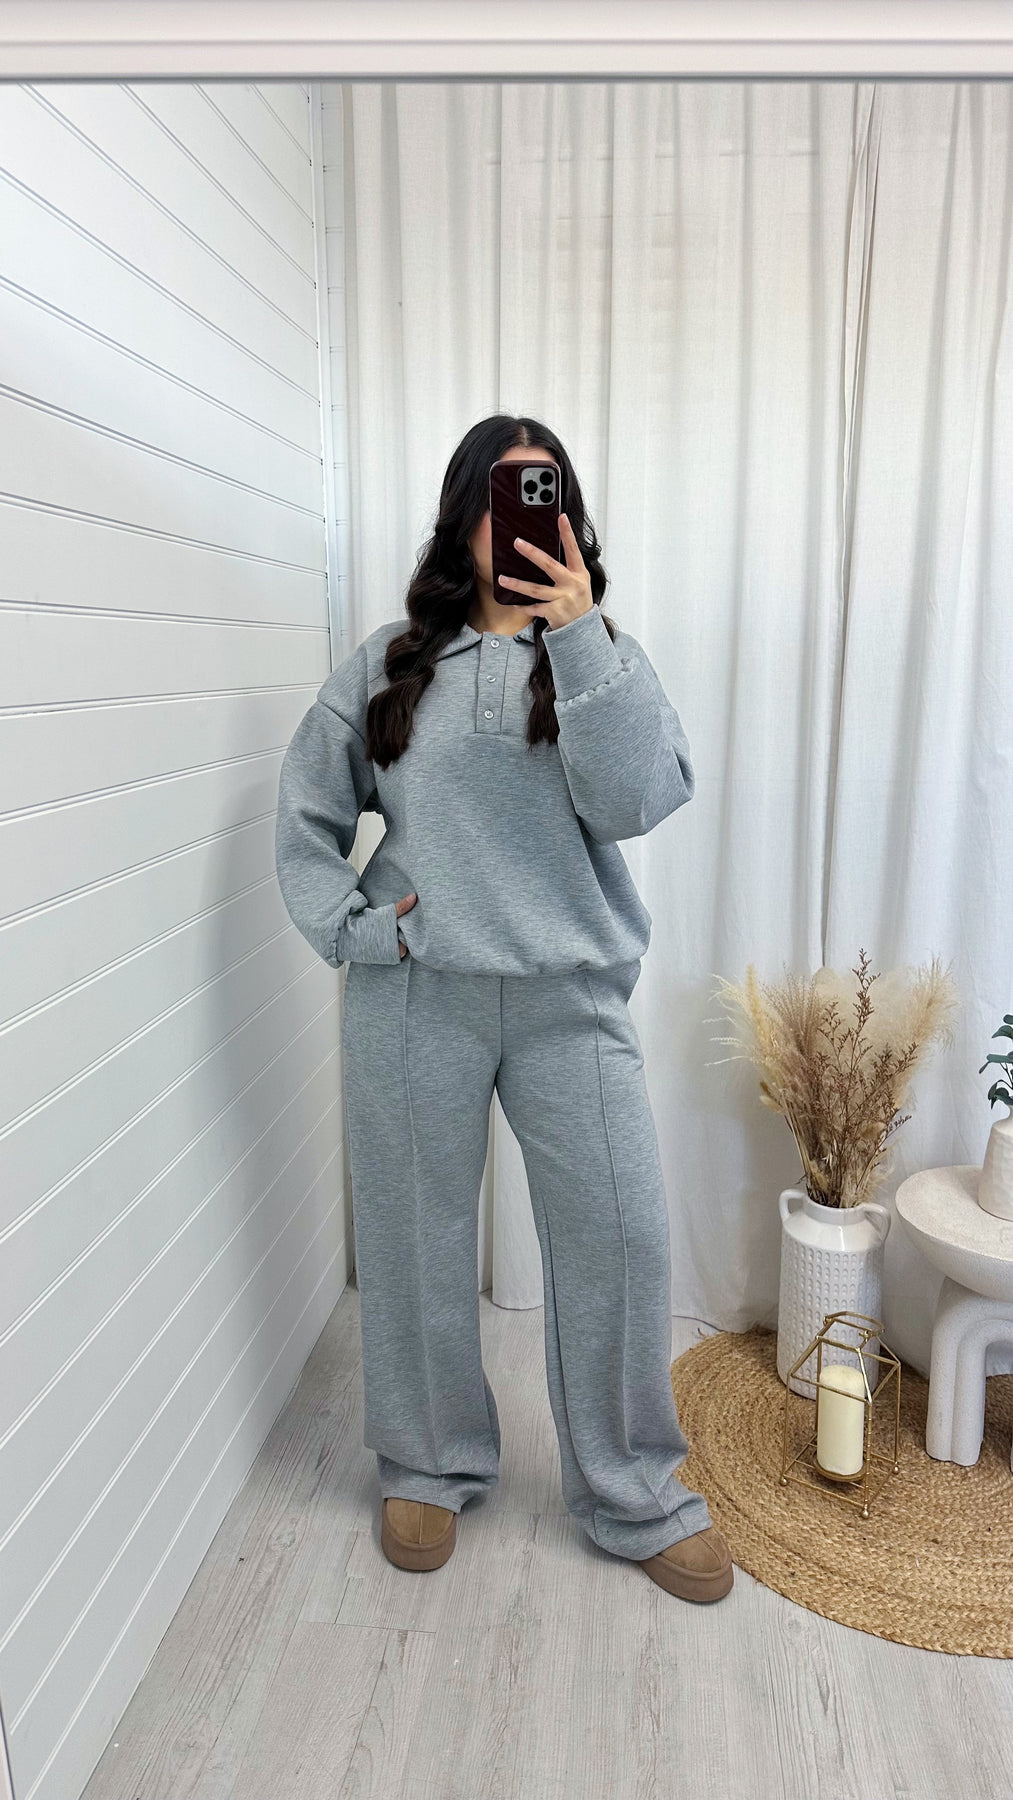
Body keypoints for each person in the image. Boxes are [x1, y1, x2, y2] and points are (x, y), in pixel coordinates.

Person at [274, 415, 733, 1604]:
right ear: (460, 512)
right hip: (415, 991)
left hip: (568, 1001)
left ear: (565, 515)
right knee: (414, 1237)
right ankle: (427, 1462)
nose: (517, 517)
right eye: (499, 493)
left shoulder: (600, 658)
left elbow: (636, 801)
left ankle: (633, 1488)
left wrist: (575, 634)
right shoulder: (388, 664)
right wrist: (355, 930)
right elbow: (307, 814)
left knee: (621, 1238)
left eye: (542, 493)